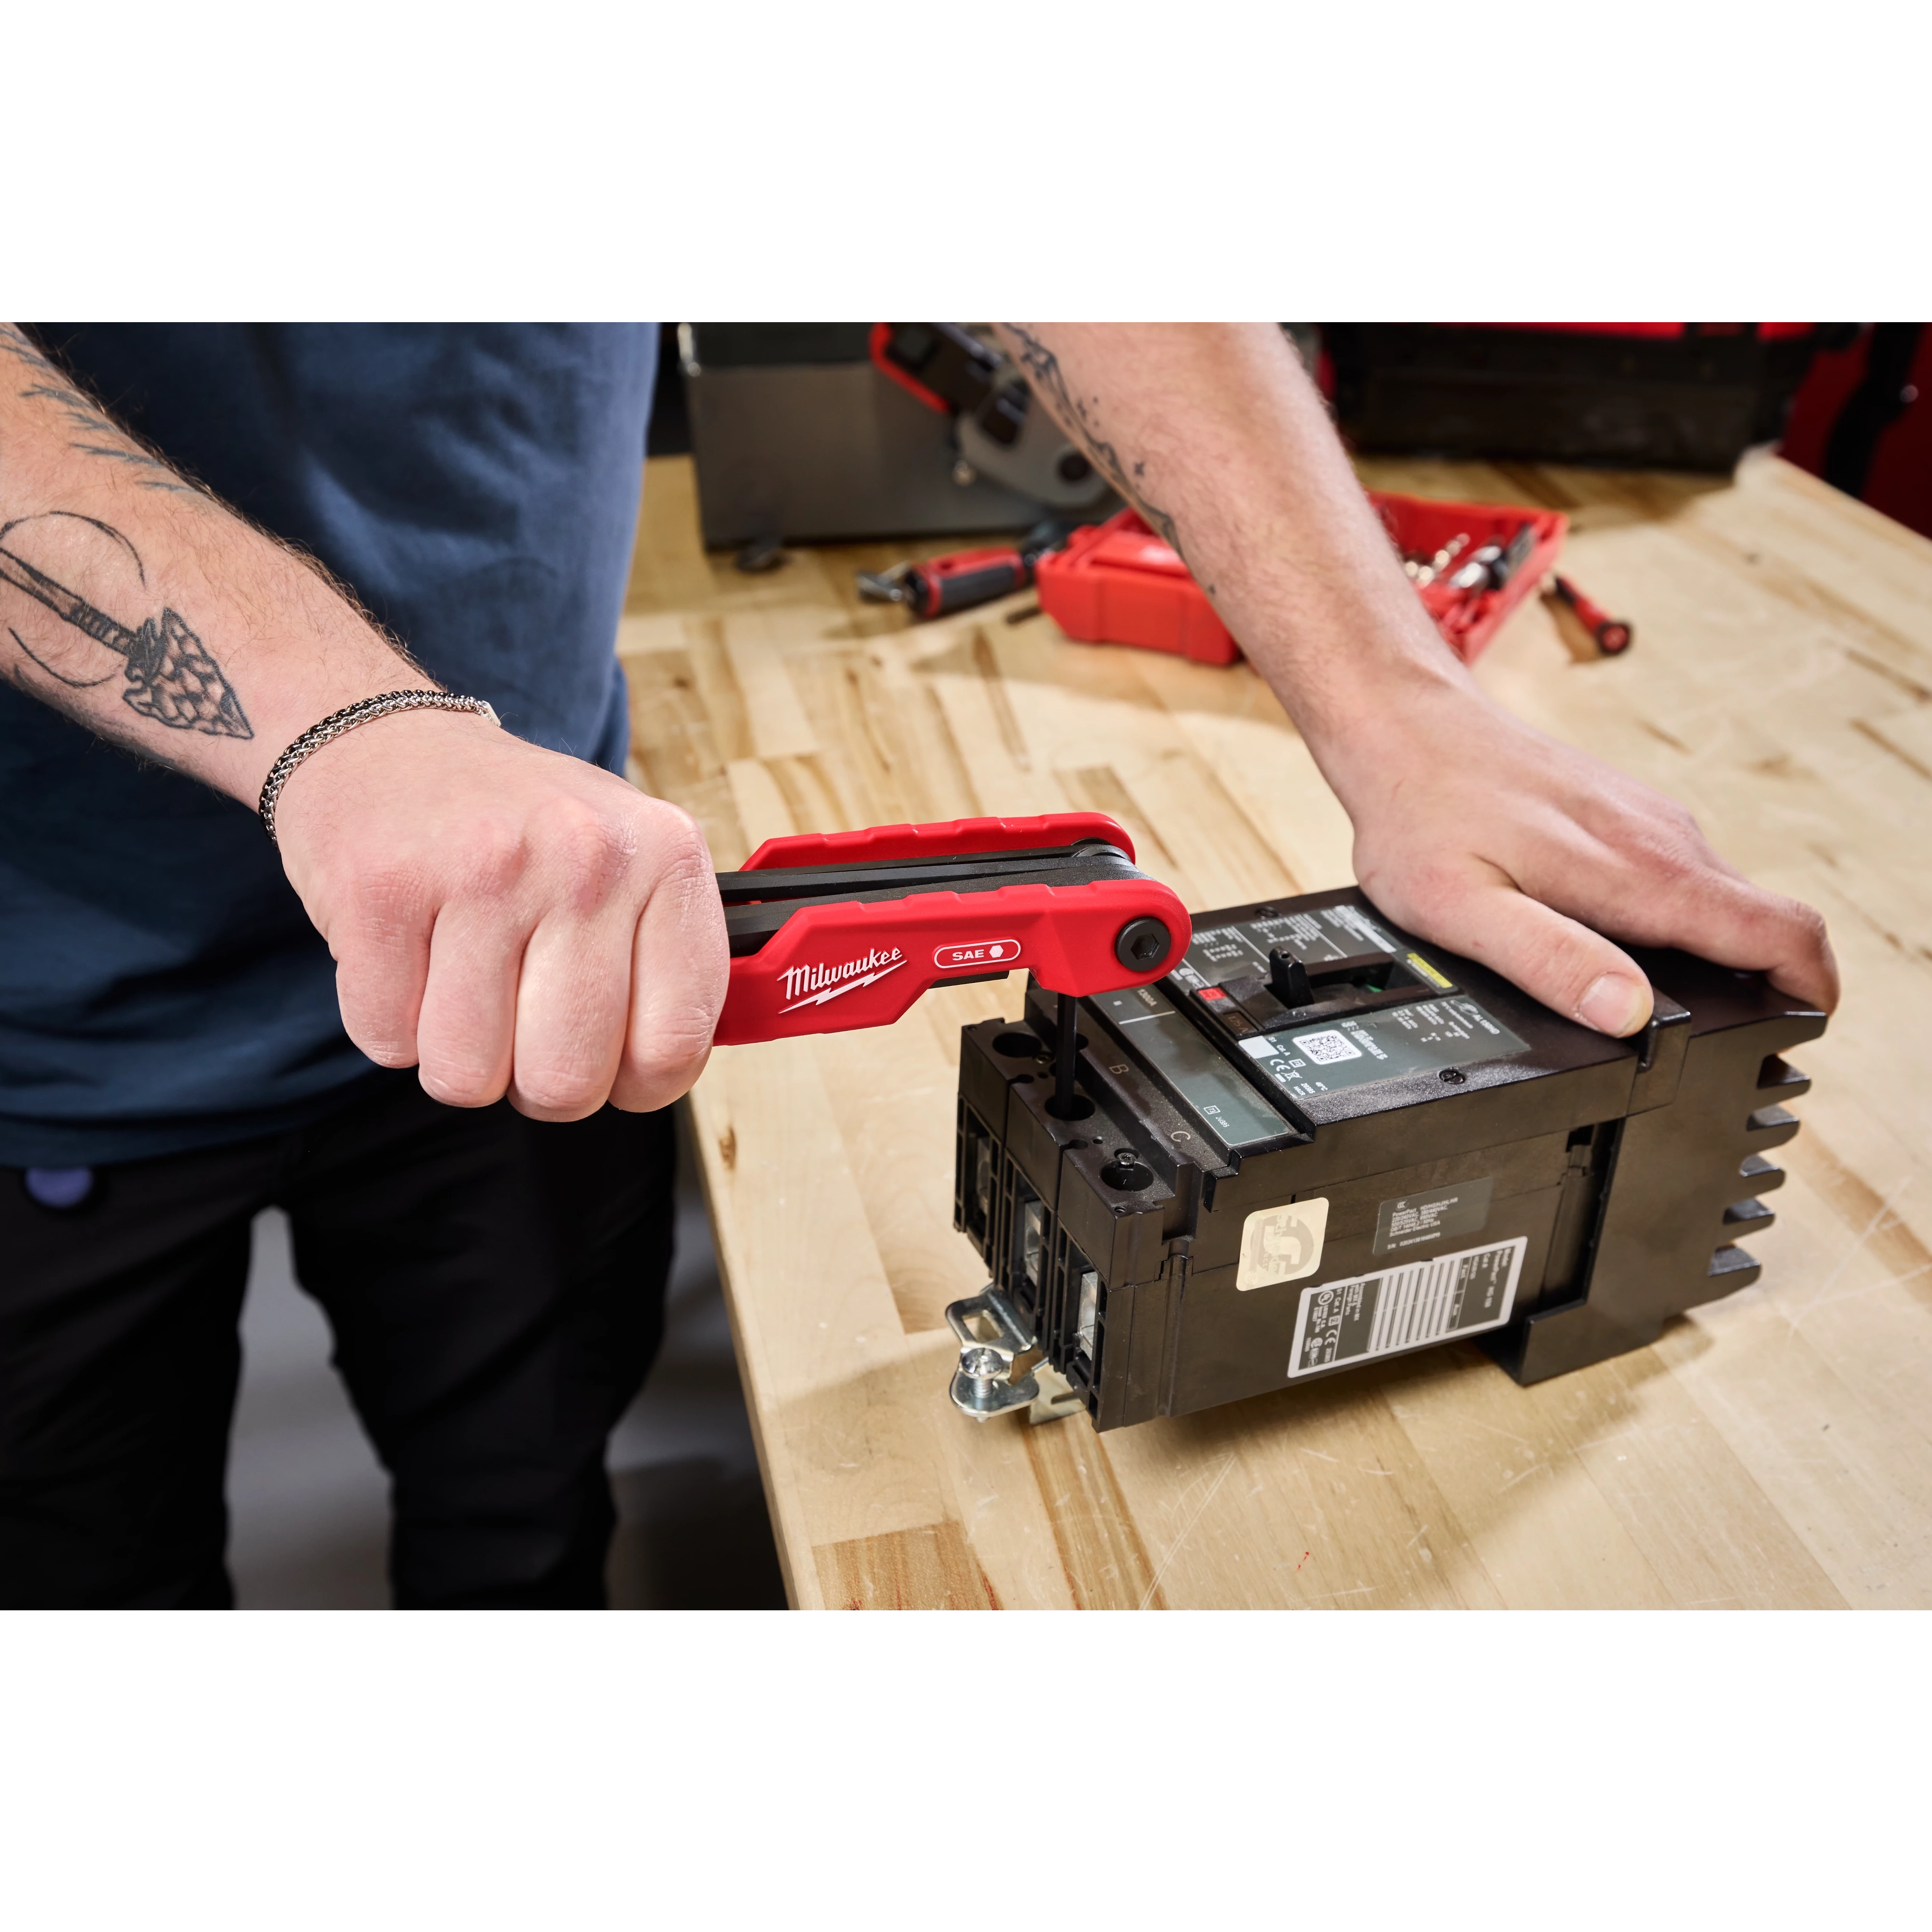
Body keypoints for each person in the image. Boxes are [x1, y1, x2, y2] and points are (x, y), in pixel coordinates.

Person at [0, 320, 1837, 1611]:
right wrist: (344, 730)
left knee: (524, 1513)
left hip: (577, 937)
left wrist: (1391, 692)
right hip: (61, 1007)